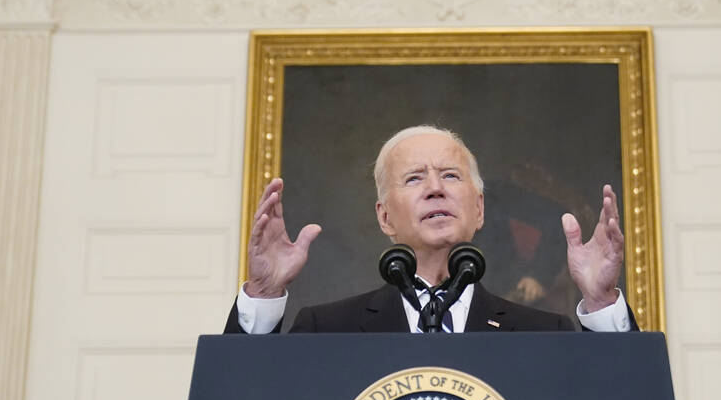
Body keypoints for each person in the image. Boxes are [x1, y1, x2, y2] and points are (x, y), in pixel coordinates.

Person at [223, 125, 635, 334]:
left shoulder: (543, 334)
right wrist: (263, 294)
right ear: (385, 217)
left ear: (479, 209)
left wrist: (600, 303)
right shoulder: (327, 329)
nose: (436, 188)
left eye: (451, 176)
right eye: (415, 178)